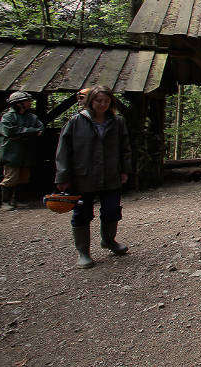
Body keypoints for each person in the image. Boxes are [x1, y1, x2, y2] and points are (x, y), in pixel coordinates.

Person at [54, 85, 132, 269]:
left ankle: (109, 240)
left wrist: (125, 170)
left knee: (112, 210)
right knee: (82, 213)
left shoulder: (117, 121)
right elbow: (63, 151)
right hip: (83, 176)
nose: (103, 104)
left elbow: (125, 147)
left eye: (106, 101)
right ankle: (83, 252)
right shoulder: (76, 121)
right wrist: (62, 177)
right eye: (98, 101)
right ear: (91, 101)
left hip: (111, 174)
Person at [0, 92, 45, 211]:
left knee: (24, 177)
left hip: (26, 152)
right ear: (19, 103)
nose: (30, 103)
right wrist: (31, 131)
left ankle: (18, 200)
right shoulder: (8, 117)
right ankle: (5, 202)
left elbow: (41, 128)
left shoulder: (31, 116)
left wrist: (24, 132)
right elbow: (10, 132)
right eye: (27, 101)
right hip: (11, 153)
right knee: (11, 177)